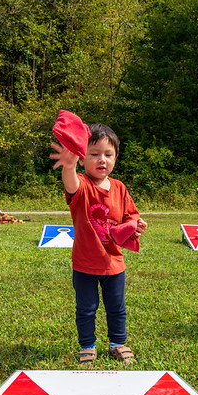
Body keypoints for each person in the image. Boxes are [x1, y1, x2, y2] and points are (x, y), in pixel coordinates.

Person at [50, 118, 147, 364]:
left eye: (108, 154)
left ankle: (117, 343)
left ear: (115, 158)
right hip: (85, 264)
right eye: (94, 154)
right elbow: (69, 182)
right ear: (83, 158)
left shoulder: (120, 188)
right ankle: (87, 345)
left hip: (114, 263)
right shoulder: (81, 185)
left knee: (117, 308)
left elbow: (129, 216)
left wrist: (137, 224)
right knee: (86, 309)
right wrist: (68, 166)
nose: (101, 159)